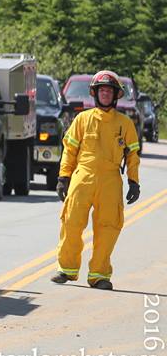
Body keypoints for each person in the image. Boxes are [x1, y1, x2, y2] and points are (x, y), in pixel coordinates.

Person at [51, 70, 141, 290]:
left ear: (116, 95)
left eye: (110, 91)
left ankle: (99, 275)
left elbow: (132, 155)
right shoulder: (82, 119)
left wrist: (134, 181)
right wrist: (64, 177)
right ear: (95, 93)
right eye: (102, 90)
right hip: (83, 177)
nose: (106, 94)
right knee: (71, 221)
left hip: (111, 180)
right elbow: (69, 150)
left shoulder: (125, 123)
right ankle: (67, 269)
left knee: (108, 227)